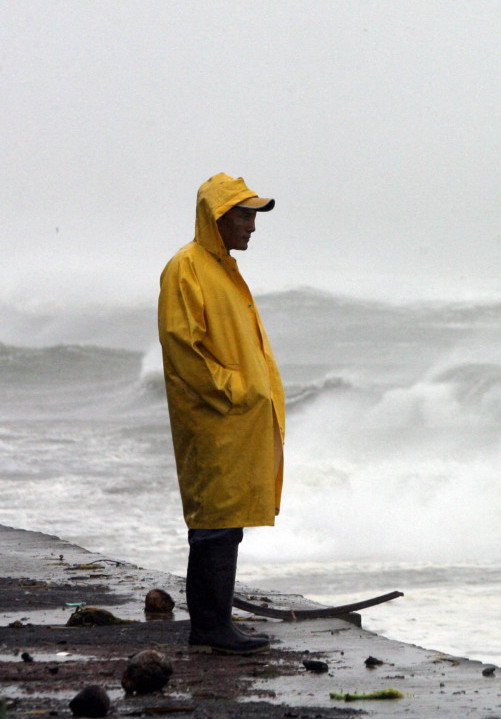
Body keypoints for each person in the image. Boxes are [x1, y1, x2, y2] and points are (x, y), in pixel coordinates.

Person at [157, 173, 286, 655]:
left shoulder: (223, 269)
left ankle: (215, 624)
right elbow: (182, 347)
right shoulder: (186, 269)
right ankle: (210, 627)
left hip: (233, 421)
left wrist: (253, 395)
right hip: (213, 421)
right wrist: (237, 391)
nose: (252, 225)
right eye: (244, 215)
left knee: (227, 522)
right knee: (214, 522)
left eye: (254, 215)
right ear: (218, 219)